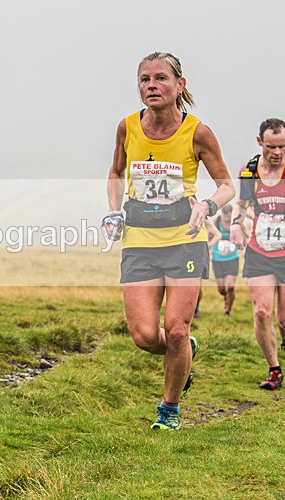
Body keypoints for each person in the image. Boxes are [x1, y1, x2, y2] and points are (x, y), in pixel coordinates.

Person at [103, 52, 234, 430]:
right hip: (140, 242)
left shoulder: (198, 132)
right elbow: (115, 170)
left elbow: (226, 185)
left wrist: (206, 206)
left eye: (161, 78)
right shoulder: (127, 127)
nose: (151, 85)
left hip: (185, 241)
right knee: (146, 336)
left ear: (180, 85)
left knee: (177, 328)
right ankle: (185, 352)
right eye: (144, 79)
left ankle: (169, 409)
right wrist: (114, 210)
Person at [231, 118, 285, 390]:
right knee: (262, 312)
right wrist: (236, 225)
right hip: (259, 250)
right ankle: (274, 370)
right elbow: (240, 205)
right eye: (272, 146)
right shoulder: (249, 172)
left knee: (284, 318)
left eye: (283, 147)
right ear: (260, 142)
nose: (277, 153)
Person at [206, 204, 240, 315]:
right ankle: (227, 297)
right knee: (221, 289)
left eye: (228, 218)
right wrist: (208, 246)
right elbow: (208, 232)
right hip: (217, 259)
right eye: (225, 217)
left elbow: (244, 234)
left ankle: (227, 310)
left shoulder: (236, 222)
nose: (226, 219)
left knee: (230, 286)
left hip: (232, 258)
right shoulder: (216, 221)